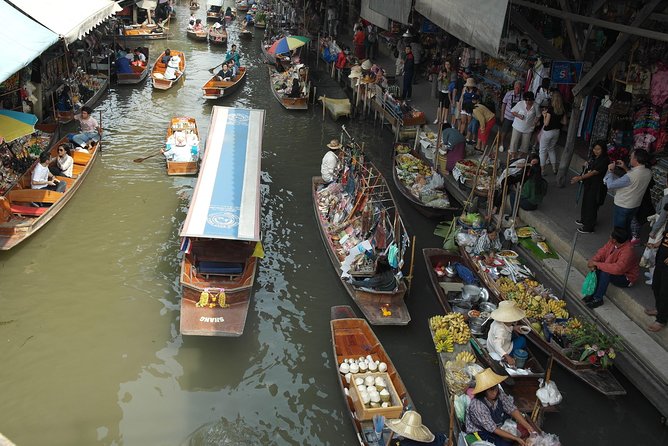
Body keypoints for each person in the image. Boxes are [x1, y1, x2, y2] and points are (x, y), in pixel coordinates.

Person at [465, 368, 537, 446]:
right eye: (491, 390)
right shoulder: (478, 405)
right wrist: (516, 438)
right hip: (481, 430)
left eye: (495, 387)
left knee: (523, 431)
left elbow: (511, 408)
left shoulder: (499, 393)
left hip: (496, 423)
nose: (495, 392)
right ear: (484, 391)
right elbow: (493, 428)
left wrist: (528, 426)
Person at [584, 227, 639, 309]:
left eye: (611, 236)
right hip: (611, 267)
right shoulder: (612, 243)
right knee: (598, 268)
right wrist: (593, 261)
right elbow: (602, 252)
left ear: (614, 240)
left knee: (605, 272)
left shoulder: (628, 252)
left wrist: (597, 264)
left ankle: (598, 298)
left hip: (625, 278)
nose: (609, 236)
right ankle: (592, 293)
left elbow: (618, 269)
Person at [603, 148, 652, 236]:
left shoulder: (630, 176)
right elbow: (634, 179)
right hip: (635, 205)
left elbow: (610, 185)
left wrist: (610, 170)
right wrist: (625, 168)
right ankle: (626, 242)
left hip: (623, 205)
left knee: (619, 230)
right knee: (627, 227)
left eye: (631, 157)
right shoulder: (648, 172)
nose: (630, 158)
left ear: (635, 160)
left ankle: (619, 246)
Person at [571, 140, 610, 234]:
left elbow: (594, 172)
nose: (596, 151)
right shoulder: (593, 157)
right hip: (589, 184)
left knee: (592, 205)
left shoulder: (604, 160)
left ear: (603, 150)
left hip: (597, 186)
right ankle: (584, 220)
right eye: (594, 149)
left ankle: (589, 227)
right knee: (586, 203)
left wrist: (580, 177)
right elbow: (589, 168)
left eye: (598, 149)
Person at [487, 301, 528, 366]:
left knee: (514, 335)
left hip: (490, 345)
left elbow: (505, 328)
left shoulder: (497, 321)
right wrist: (507, 357)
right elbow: (497, 346)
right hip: (497, 351)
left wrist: (513, 328)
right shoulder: (501, 330)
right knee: (522, 340)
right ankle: (512, 355)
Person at [646, 227, 668, 332]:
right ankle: (660, 309)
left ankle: (661, 320)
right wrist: (656, 244)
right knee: (656, 286)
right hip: (661, 258)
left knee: (665, 292)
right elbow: (665, 237)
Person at [538, 90, 564, 175]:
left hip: (547, 132)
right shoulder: (562, 110)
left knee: (542, 151)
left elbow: (546, 123)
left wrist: (544, 115)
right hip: (556, 132)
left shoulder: (550, 109)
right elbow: (564, 122)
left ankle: (542, 170)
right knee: (551, 149)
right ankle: (554, 169)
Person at [499, 81, 523, 152]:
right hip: (507, 116)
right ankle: (501, 143)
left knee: (513, 133)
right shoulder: (509, 93)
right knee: (504, 131)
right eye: (516, 88)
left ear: (521, 88)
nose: (517, 90)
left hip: (516, 118)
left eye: (519, 88)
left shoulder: (522, 96)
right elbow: (504, 104)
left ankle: (510, 146)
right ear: (514, 87)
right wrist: (501, 115)